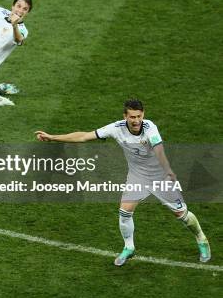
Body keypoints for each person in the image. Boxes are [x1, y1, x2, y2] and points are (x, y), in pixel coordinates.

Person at [35, 99, 211, 265]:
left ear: (143, 115)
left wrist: (168, 170)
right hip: (137, 177)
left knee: (182, 215)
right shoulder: (116, 128)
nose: (136, 121)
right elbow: (84, 137)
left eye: (139, 116)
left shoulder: (150, 128)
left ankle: (201, 239)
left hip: (159, 177)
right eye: (132, 117)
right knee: (124, 212)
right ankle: (129, 247)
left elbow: (159, 149)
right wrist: (52, 137)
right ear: (125, 116)